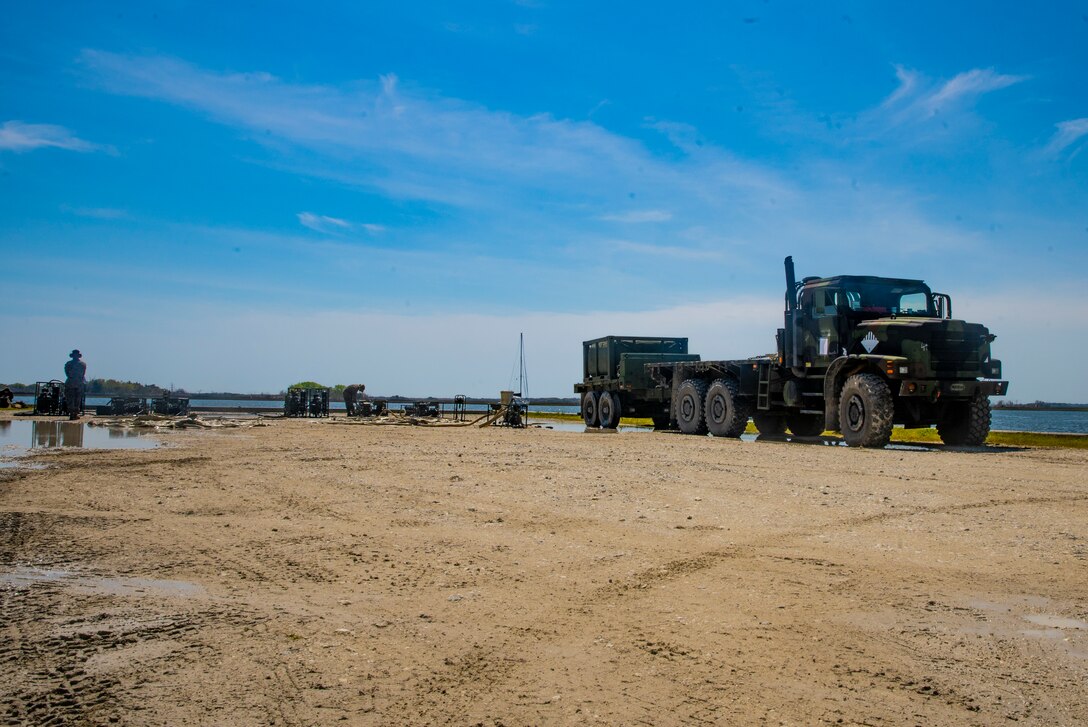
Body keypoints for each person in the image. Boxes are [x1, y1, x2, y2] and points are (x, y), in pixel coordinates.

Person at [64, 349, 87, 420]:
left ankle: (75, 413)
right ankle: (72, 413)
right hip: (75, 383)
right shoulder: (70, 364)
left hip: (76, 383)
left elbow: (67, 373)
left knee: (77, 399)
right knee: (71, 398)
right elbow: (67, 373)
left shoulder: (82, 364)